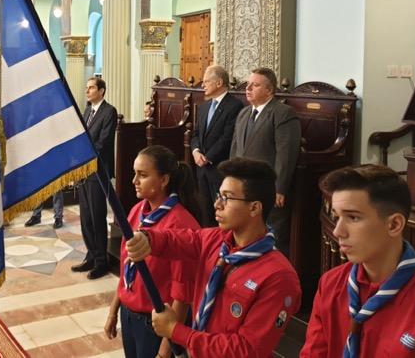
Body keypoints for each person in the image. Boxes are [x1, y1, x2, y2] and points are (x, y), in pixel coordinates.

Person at [126, 157, 301, 358]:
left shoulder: (278, 277)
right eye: (219, 195)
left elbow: (246, 350)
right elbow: (178, 239)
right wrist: (147, 238)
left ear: (254, 208)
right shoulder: (216, 240)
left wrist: (176, 331)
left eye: (227, 198)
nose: (217, 204)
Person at [300, 165, 415, 357]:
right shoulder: (330, 284)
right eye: (337, 217)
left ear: (394, 225)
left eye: (353, 217)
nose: (338, 231)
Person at [104, 145, 201, 358]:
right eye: (134, 173)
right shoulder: (137, 211)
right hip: (129, 314)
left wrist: (164, 352)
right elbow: (126, 266)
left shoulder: (181, 226)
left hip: (156, 324)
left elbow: (182, 297)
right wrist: (113, 310)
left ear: (164, 180)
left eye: (143, 175)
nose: (134, 181)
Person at [229, 67, 300, 255]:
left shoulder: (283, 113)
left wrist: (279, 188)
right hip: (243, 189)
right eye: (248, 84)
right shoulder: (244, 113)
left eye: (255, 85)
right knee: (247, 236)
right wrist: (231, 179)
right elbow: (235, 150)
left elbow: (286, 154)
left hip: (268, 188)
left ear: (269, 90)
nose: (248, 88)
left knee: (274, 239)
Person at [71, 76, 118, 279]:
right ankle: (91, 256)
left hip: (98, 171)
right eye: (87, 88)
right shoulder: (88, 110)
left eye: (91, 88)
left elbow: (103, 142)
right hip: (84, 171)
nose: (87, 91)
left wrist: (85, 156)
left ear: (101, 91)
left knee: (97, 216)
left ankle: (101, 263)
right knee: (86, 217)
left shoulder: (109, 111)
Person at [191, 65, 243, 226]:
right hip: (201, 168)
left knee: (221, 214)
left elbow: (228, 138)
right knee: (205, 212)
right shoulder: (204, 106)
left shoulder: (234, 106)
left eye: (206, 81)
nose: (203, 85)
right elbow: (196, 134)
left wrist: (208, 157)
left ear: (219, 83)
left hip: (219, 168)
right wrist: (195, 151)